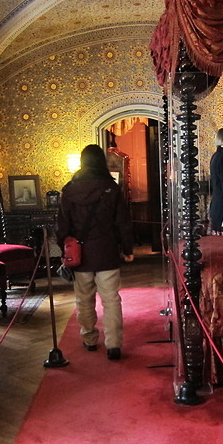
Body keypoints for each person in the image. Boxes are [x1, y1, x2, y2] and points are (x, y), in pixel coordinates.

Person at [56, 144, 134, 360]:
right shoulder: (111, 188)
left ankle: (89, 338)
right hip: (107, 251)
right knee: (111, 300)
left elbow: (62, 227)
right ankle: (114, 345)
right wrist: (127, 249)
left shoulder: (69, 190)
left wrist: (65, 248)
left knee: (84, 299)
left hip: (81, 256)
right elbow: (123, 223)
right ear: (101, 162)